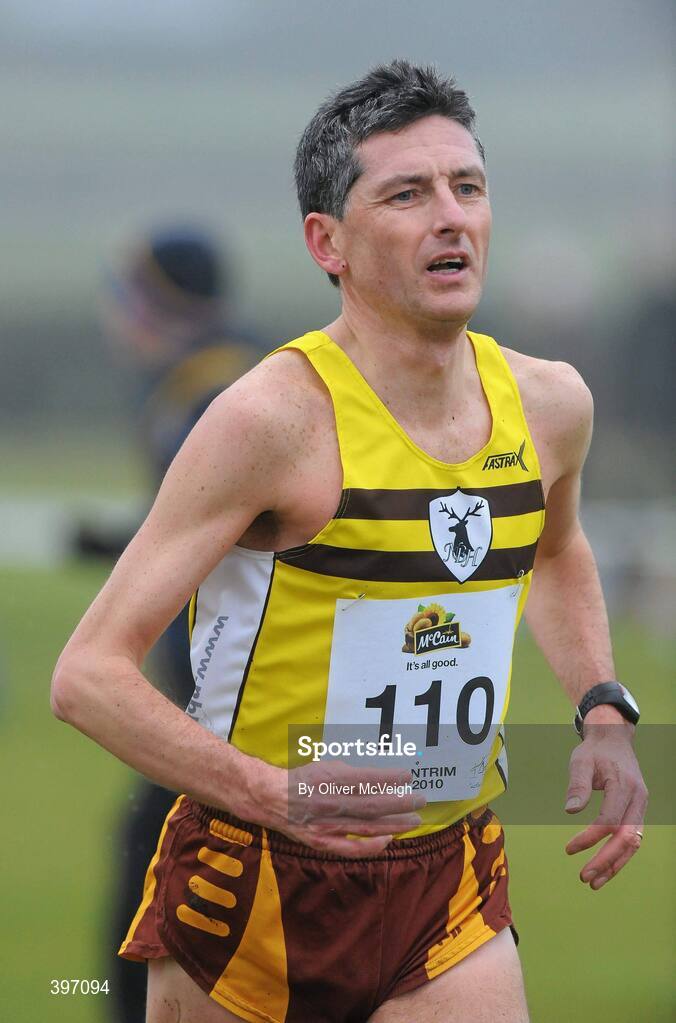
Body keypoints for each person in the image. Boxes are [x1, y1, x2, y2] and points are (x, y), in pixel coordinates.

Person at [52, 62, 647, 1023]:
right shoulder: (268, 421)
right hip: (255, 881)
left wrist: (605, 710)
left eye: (468, 187)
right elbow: (84, 676)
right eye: (406, 194)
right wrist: (275, 792)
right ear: (327, 242)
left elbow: (555, 548)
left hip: (447, 878)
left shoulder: (549, 405)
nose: (450, 216)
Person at [75, 227, 265, 1022]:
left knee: (148, 910)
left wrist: (109, 542)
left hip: (224, 707)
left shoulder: (209, 394)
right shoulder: (230, 370)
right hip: (233, 702)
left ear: (160, 303)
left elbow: (212, 531)